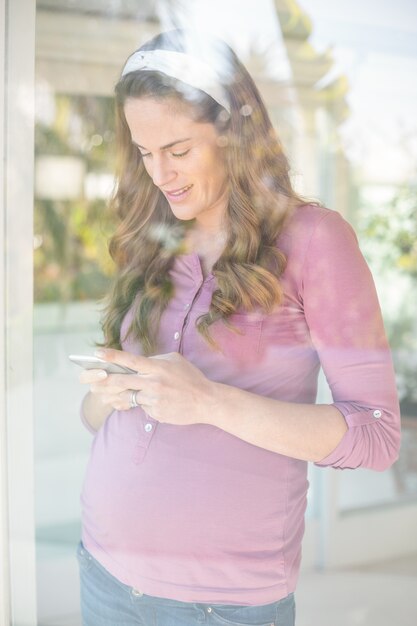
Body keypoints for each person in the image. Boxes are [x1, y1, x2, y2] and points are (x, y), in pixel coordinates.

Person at [75, 28, 401, 626]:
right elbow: (95, 419)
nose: (160, 174)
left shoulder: (315, 241)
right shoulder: (156, 235)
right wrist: (109, 393)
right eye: (145, 153)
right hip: (101, 571)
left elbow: (377, 436)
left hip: (218, 605)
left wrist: (210, 401)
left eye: (177, 150)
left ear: (233, 133)